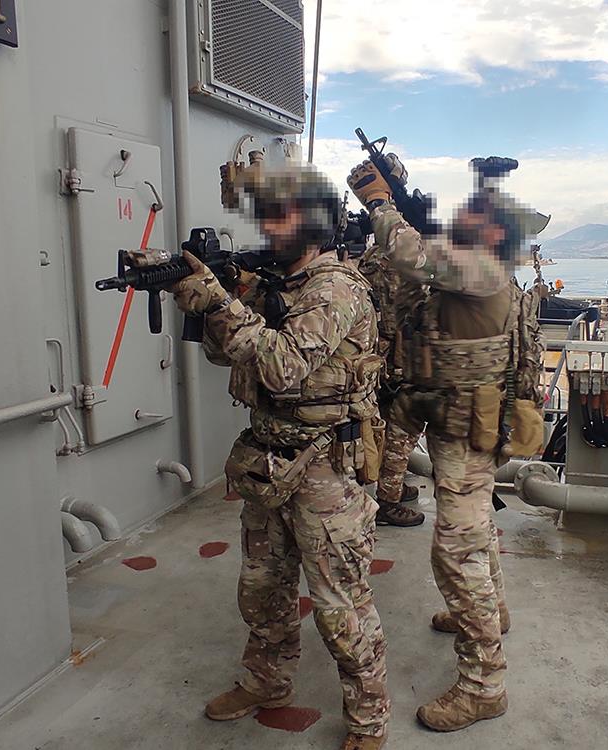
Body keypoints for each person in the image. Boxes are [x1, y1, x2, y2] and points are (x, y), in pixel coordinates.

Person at [169, 160, 390, 750]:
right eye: (265, 215)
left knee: (340, 607)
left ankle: (369, 718)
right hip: (269, 459)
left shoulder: (335, 289)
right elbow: (228, 356)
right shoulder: (280, 284)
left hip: (325, 468)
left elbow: (282, 365)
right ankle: (266, 682)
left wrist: (221, 303)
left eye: (282, 215)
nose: (268, 226)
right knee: (262, 589)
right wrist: (210, 305)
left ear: (314, 221)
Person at [348, 157, 541, 732]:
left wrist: (381, 205)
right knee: (474, 530)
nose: (461, 222)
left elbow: (413, 255)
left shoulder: (482, 267)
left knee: (455, 552)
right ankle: (493, 611)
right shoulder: (476, 265)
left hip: (466, 431)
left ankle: (484, 686)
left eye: (473, 218)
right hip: (456, 420)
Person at [356, 227, 427, 528]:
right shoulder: (408, 261)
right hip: (401, 357)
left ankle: (390, 485)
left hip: (376, 356)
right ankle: (388, 501)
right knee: (403, 429)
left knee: (382, 424)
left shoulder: (370, 258)